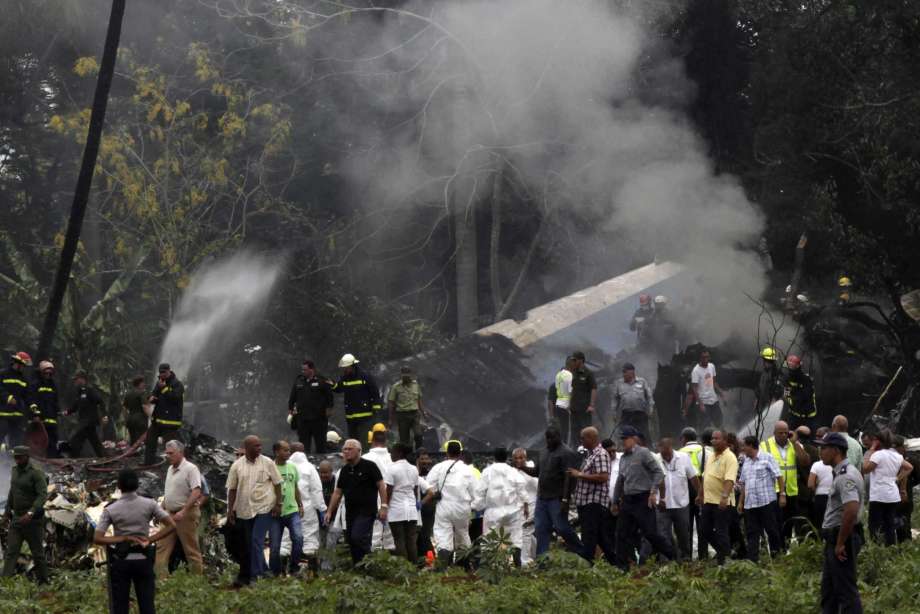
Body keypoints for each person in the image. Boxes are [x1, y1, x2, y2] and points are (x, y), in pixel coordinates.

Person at [93, 469, 176, 614]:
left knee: (120, 606)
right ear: (137, 485)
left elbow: (98, 538)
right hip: (144, 559)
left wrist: (123, 538)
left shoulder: (111, 509)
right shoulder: (150, 504)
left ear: (119, 486)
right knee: (147, 604)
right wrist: (150, 539)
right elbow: (172, 525)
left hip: (121, 561)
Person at [815, 432, 864, 613]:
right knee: (829, 591)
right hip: (835, 537)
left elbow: (851, 510)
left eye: (824, 448)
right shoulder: (842, 472)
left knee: (846, 591)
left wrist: (840, 542)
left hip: (842, 538)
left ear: (836, 450)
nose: (820, 452)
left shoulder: (846, 476)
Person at [612, 425, 674, 570]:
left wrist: (653, 492)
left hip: (643, 499)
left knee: (650, 533)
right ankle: (622, 568)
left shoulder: (644, 453)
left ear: (633, 439)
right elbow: (620, 481)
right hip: (628, 500)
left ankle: (672, 555)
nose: (622, 442)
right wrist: (615, 502)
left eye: (625, 439)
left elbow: (659, 473)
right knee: (621, 533)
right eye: (621, 439)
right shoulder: (623, 458)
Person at [226, 435, 283, 586]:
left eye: (260, 445)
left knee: (257, 540)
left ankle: (256, 577)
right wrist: (230, 509)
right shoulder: (237, 466)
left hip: (264, 507)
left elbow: (278, 484)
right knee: (248, 543)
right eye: (256, 446)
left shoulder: (267, 462)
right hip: (244, 510)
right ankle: (262, 570)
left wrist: (278, 504)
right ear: (247, 448)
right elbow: (232, 489)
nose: (259, 448)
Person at [325, 439, 388, 564]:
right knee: (351, 540)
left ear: (359, 451)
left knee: (357, 536)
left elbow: (381, 485)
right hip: (350, 511)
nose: (346, 452)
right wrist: (329, 511)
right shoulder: (344, 470)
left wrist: (384, 506)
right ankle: (359, 566)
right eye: (345, 449)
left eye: (350, 449)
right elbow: (338, 493)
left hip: (366, 511)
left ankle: (367, 563)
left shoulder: (370, 466)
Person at [528, 427, 583, 557]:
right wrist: (522, 467)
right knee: (541, 528)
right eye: (547, 437)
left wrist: (565, 499)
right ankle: (542, 560)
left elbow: (569, 478)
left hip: (557, 498)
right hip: (542, 498)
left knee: (561, 528)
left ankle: (582, 552)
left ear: (559, 437)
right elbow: (537, 472)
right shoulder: (543, 452)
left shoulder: (566, 453)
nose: (549, 440)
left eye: (552, 437)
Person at [420, 440, 476, 566]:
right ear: (460, 453)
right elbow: (475, 493)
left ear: (447, 452)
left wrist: (437, 492)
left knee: (443, 536)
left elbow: (427, 487)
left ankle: (443, 568)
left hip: (444, 506)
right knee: (463, 536)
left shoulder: (439, 467)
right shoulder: (468, 470)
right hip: (463, 508)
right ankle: (464, 568)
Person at [568, 427, 616, 565]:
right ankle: (618, 564)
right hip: (585, 502)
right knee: (601, 538)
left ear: (591, 438)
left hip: (593, 503)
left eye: (583, 438)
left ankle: (586, 566)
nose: (581, 441)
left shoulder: (600, 454)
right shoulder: (590, 454)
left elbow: (603, 477)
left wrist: (580, 474)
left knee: (589, 537)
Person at [155, 440, 203, 576]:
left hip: (186, 515)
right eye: (167, 453)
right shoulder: (170, 469)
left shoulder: (191, 469)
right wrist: (160, 509)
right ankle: (160, 581)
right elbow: (170, 493)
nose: (168, 456)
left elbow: (196, 491)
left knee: (191, 549)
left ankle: (197, 583)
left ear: (181, 453)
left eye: (171, 453)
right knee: (161, 547)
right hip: (170, 515)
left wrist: (184, 511)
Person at [1, 445, 48, 583]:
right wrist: (6, 513)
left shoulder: (36, 473)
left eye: (19, 457)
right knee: (11, 552)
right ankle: (5, 582)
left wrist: (31, 512)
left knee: (37, 554)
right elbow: (12, 493)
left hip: (32, 521)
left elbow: (42, 495)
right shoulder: (15, 471)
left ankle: (44, 582)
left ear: (27, 457)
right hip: (17, 519)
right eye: (15, 457)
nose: (17, 460)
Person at [761, 420, 812, 546]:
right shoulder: (765, 445)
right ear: (774, 433)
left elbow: (805, 462)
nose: (783, 435)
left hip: (791, 491)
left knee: (789, 523)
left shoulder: (794, 445)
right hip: (773, 490)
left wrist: (795, 443)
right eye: (780, 433)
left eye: (786, 433)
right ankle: (776, 549)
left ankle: (785, 549)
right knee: (775, 522)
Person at [474, 447, 527, 565]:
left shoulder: (487, 471)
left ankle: (488, 567)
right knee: (516, 538)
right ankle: (518, 565)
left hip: (493, 511)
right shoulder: (513, 471)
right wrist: (524, 504)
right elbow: (522, 489)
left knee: (489, 538)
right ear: (507, 457)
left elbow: (480, 491)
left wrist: (477, 506)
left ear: (494, 457)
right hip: (512, 510)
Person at [737, 435, 784, 562]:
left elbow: (779, 476)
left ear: (751, 446)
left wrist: (782, 495)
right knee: (752, 533)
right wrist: (741, 502)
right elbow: (743, 484)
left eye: (744, 446)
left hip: (766, 502)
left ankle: (777, 558)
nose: (742, 449)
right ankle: (753, 561)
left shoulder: (767, 457)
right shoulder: (746, 461)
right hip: (750, 505)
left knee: (772, 530)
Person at [862, 430, 913, 545]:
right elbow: (909, 467)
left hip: (878, 496)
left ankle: (877, 548)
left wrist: (871, 450)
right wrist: (897, 478)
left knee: (874, 525)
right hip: (892, 496)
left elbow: (865, 469)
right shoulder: (897, 456)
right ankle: (890, 548)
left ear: (879, 441)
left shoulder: (877, 455)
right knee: (889, 525)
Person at [697, 430, 738, 565]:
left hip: (722, 502)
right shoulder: (711, 456)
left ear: (725, 441)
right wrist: (700, 494)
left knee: (721, 532)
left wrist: (724, 497)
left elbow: (729, 480)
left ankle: (724, 563)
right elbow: (705, 476)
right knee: (704, 530)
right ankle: (726, 552)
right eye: (712, 439)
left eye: (717, 439)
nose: (713, 441)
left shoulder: (730, 457)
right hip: (708, 501)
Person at [655, 437, 699, 561]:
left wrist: (700, 494)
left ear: (671, 448)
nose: (666, 457)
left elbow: (693, 478)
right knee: (663, 535)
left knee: (683, 535)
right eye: (663, 455)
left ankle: (685, 560)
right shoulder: (655, 459)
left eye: (668, 454)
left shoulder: (684, 458)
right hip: (663, 505)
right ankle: (666, 562)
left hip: (681, 504)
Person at [267, 440, 304, 575]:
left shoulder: (292, 467)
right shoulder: (269, 468)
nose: (288, 453)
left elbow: (295, 487)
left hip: (292, 510)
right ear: (277, 452)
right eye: (285, 450)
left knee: (298, 538)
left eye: (289, 450)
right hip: (275, 514)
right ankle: (275, 573)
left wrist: (300, 504)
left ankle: (294, 568)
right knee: (275, 546)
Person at [333, 354, 382, 448]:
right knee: (353, 443)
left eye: (346, 368)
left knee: (364, 443)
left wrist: (376, 409)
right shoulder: (345, 378)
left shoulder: (365, 376)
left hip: (365, 417)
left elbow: (375, 393)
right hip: (351, 418)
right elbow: (338, 388)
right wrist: (331, 384)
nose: (344, 370)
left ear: (352, 366)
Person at [385, 442, 422, 564]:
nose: (391, 455)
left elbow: (388, 491)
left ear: (399, 453)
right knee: (411, 541)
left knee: (398, 540)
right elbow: (415, 490)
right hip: (411, 511)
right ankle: (414, 566)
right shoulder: (414, 469)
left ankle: (403, 567)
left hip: (396, 510)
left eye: (392, 452)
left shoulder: (392, 469)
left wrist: (384, 507)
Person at [288, 360, 334, 455]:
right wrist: (290, 408)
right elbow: (293, 396)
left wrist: (329, 409)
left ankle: (322, 464)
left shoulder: (322, 380)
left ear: (312, 369)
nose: (303, 371)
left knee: (320, 444)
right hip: (303, 419)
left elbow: (330, 396)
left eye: (305, 369)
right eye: (302, 369)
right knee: (303, 445)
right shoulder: (299, 380)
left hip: (319, 419)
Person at [144, 364, 184, 466]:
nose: (162, 374)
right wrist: (152, 398)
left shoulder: (177, 384)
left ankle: (174, 465)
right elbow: (153, 394)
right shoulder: (159, 383)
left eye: (164, 372)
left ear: (169, 371)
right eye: (160, 372)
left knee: (171, 446)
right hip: (157, 421)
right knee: (150, 441)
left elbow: (175, 398)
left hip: (170, 423)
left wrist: (164, 388)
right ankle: (148, 463)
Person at [678, 427, 708, 560]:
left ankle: (687, 556)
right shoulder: (705, 450)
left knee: (687, 525)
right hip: (702, 489)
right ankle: (703, 555)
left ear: (684, 439)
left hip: (685, 490)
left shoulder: (678, 453)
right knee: (702, 524)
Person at [364, 428, 395, 551]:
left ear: (372, 441)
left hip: (372, 500)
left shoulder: (365, 458)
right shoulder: (394, 457)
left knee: (374, 536)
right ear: (385, 441)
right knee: (390, 538)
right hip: (392, 499)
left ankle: (374, 565)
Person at [67, 370, 108, 458]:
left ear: (82, 379)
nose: (75, 381)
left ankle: (72, 459)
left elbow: (100, 401)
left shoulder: (89, 390)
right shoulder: (80, 392)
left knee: (76, 439)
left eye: (76, 379)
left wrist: (104, 415)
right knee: (94, 441)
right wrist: (67, 412)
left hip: (89, 421)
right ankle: (103, 457)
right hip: (85, 422)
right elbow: (76, 406)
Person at [387, 366, 428, 451]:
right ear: (401, 375)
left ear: (411, 375)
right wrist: (390, 419)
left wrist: (424, 413)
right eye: (404, 376)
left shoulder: (415, 385)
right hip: (402, 415)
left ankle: (418, 453)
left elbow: (419, 400)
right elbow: (391, 403)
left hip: (414, 414)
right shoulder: (396, 387)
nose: (406, 377)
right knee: (404, 440)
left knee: (418, 435)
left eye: (408, 375)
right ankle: (407, 457)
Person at [612, 363, 654, 442]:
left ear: (632, 372)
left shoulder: (642, 381)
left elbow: (649, 397)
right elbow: (615, 399)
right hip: (626, 414)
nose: (623, 374)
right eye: (623, 372)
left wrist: (650, 409)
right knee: (625, 435)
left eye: (625, 372)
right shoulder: (619, 383)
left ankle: (648, 450)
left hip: (640, 413)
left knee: (643, 434)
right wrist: (614, 413)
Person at [511, 447, 538, 565]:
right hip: (518, 507)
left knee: (526, 531)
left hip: (532, 504)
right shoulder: (512, 471)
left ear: (525, 458)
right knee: (526, 532)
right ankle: (534, 555)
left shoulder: (532, 468)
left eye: (521, 458)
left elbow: (537, 486)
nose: (519, 460)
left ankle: (525, 560)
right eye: (516, 458)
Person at [0, 351, 31, 450]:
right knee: (1, 432)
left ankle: (12, 461)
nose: (23, 368)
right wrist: (8, 397)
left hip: (17, 415)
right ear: (17, 363)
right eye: (22, 365)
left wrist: (33, 407)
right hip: (2, 413)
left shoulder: (24, 379)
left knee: (17, 439)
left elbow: (27, 396)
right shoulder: (3, 374)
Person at [29, 360, 61, 457]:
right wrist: (35, 415)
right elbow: (32, 400)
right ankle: (38, 459)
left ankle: (52, 460)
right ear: (41, 372)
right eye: (46, 372)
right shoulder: (35, 384)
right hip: (40, 419)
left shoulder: (53, 385)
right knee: (39, 440)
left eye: (50, 373)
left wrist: (57, 411)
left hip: (52, 419)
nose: (48, 375)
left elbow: (55, 400)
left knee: (52, 440)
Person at [568, 351, 597, 448]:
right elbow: (572, 389)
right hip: (574, 408)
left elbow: (593, 388)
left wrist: (591, 405)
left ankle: (588, 449)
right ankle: (575, 450)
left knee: (586, 431)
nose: (573, 362)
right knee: (574, 431)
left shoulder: (588, 373)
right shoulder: (573, 373)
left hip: (584, 409)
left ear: (581, 360)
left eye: (574, 360)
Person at [688, 350, 724, 429]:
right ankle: (704, 440)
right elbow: (694, 389)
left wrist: (721, 393)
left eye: (707, 357)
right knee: (705, 425)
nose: (705, 359)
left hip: (714, 400)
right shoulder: (696, 371)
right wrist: (700, 404)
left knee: (719, 422)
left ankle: (721, 438)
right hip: (703, 402)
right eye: (703, 357)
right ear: (700, 358)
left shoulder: (712, 366)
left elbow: (713, 382)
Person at [780, 355, 817, 432]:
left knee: (806, 440)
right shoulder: (787, 379)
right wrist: (785, 397)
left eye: (790, 367)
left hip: (807, 418)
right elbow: (787, 394)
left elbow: (803, 397)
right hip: (793, 416)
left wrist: (789, 399)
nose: (788, 370)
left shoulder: (806, 380)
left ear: (796, 367)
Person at [415, 449, 436, 559]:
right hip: (416, 511)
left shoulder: (433, 473)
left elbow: (435, 491)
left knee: (425, 536)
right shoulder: (414, 472)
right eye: (422, 459)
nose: (425, 461)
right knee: (418, 537)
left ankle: (430, 559)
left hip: (428, 510)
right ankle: (422, 560)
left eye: (427, 458)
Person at [550, 356, 575, 444]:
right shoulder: (554, 386)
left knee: (567, 432)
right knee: (559, 432)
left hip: (567, 413)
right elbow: (551, 402)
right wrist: (552, 416)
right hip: (558, 412)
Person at [809, 446, 835, 534]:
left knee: (819, 523)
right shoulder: (835, 465)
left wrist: (814, 490)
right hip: (833, 497)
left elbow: (810, 484)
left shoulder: (816, 465)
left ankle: (820, 543)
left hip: (820, 497)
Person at [755, 347, 783, 417]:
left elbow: (779, 388)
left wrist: (774, 399)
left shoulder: (776, 373)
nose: (764, 362)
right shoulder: (764, 372)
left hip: (770, 404)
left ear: (770, 361)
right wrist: (757, 398)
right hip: (762, 403)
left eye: (765, 360)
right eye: (764, 360)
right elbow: (760, 386)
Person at [122, 376, 148, 447]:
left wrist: (126, 418)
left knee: (133, 440)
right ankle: (145, 454)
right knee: (145, 437)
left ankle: (134, 454)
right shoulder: (141, 393)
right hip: (140, 419)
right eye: (143, 383)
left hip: (130, 419)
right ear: (140, 384)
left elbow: (124, 408)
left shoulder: (128, 394)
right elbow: (144, 406)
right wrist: (150, 416)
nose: (144, 384)